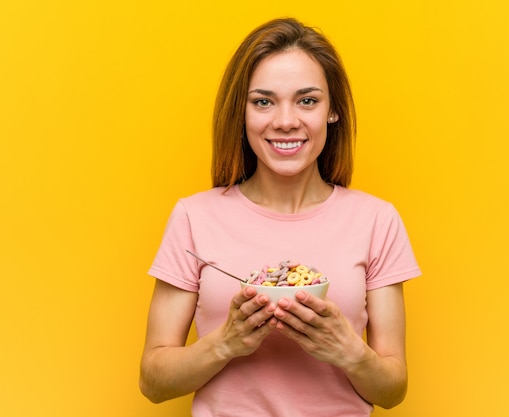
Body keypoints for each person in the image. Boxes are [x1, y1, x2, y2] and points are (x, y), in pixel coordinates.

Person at [140, 17, 421, 417]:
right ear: (242, 113)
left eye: (307, 100)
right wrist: (226, 342)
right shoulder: (193, 217)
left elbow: (393, 391)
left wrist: (349, 351)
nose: (286, 120)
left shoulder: (377, 220)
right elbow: (152, 382)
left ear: (333, 111)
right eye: (263, 101)